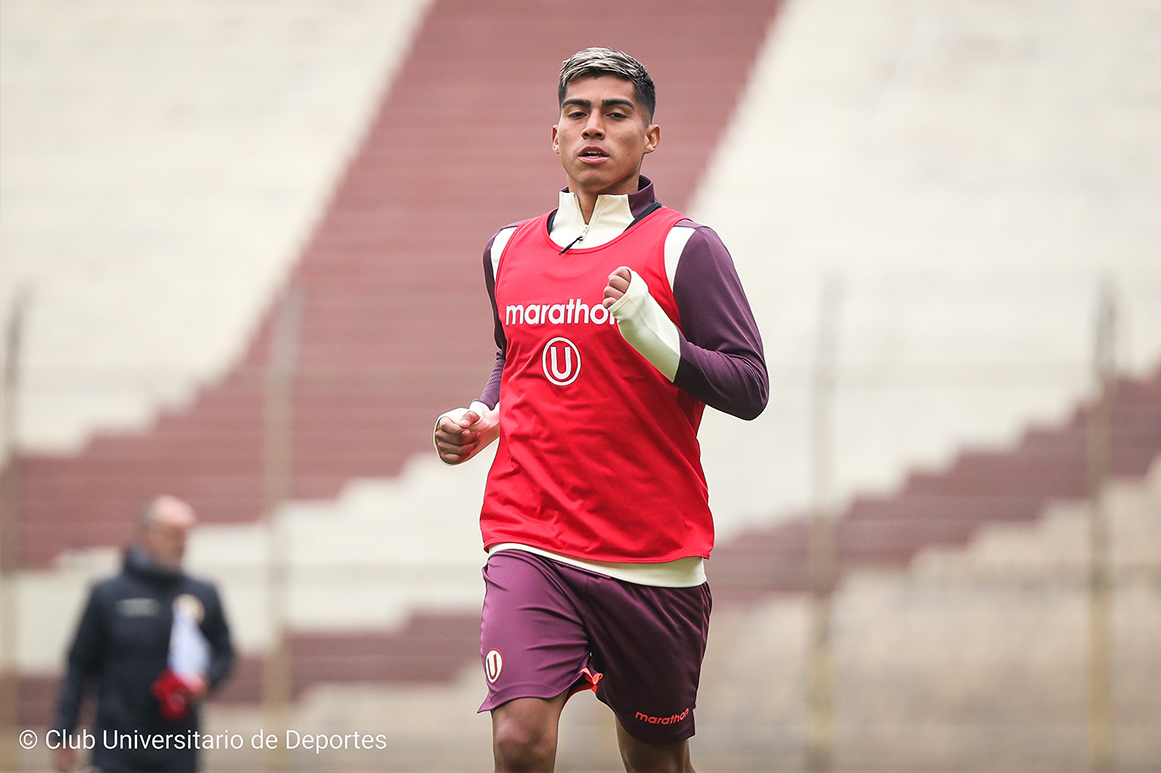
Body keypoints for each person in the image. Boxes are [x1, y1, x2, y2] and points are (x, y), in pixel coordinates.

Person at [434, 47, 768, 772]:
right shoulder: (504, 250)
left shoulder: (685, 248)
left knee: (654, 759)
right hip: (530, 536)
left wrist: (658, 340)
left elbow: (748, 387)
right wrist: (484, 415)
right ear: (553, 134)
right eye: (576, 112)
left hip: (651, 556)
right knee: (519, 736)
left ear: (649, 138)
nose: (593, 128)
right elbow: (512, 353)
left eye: (616, 113)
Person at [53, 496, 234, 773]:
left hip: (177, 746)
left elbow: (224, 651)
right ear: (148, 535)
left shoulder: (202, 594)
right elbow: (79, 665)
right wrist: (65, 733)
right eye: (175, 533)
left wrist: (207, 680)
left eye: (187, 534)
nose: (182, 542)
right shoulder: (109, 594)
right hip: (117, 745)